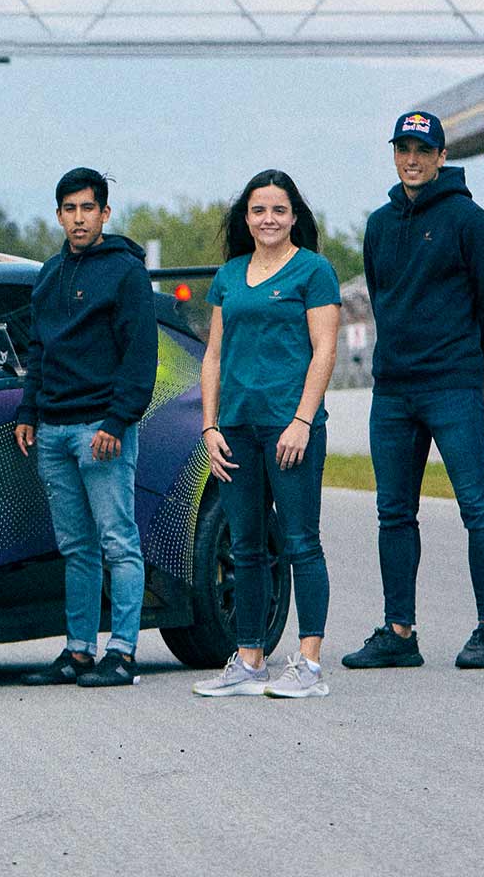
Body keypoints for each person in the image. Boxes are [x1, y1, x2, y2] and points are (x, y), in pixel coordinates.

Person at [342, 111, 484, 672]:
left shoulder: (469, 221)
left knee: (478, 508)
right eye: (403, 148)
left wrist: (474, 368)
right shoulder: (378, 225)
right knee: (393, 512)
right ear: (394, 154)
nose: (412, 159)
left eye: (423, 149)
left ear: (442, 157)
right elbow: (381, 294)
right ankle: (400, 630)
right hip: (393, 391)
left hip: (452, 386)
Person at [190, 170, 341, 699]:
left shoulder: (314, 271)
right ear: (246, 218)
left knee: (302, 542)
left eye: (278, 210)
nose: (268, 219)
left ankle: (309, 664)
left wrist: (302, 419)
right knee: (247, 545)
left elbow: (324, 350)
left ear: (294, 215)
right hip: (235, 427)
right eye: (258, 210)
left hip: (289, 427)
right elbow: (212, 355)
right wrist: (209, 425)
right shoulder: (229, 276)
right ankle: (249, 660)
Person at [13, 168, 156, 690]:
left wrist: (118, 420)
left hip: (102, 428)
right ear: (59, 215)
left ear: (104, 214)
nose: (78, 218)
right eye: (69, 209)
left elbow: (141, 355)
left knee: (119, 541)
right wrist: (28, 413)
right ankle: (78, 651)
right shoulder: (49, 275)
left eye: (87, 209)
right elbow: (38, 351)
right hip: (52, 430)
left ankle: (121, 652)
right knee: (75, 547)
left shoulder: (124, 272)